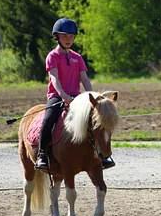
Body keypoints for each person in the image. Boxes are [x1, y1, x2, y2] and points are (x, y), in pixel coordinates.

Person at [35, 18, 115, 171]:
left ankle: (102, 155)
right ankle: (42, 155)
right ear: (56, 37)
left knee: (96, 123)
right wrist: (64, 96)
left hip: (78, 99)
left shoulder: (77, 58)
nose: (68, 39)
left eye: (71, 36)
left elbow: (84, 78)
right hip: (57, 97)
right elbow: (54, 79)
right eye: (65, 36)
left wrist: (93, 96)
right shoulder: (52, 56)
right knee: (48, 120)